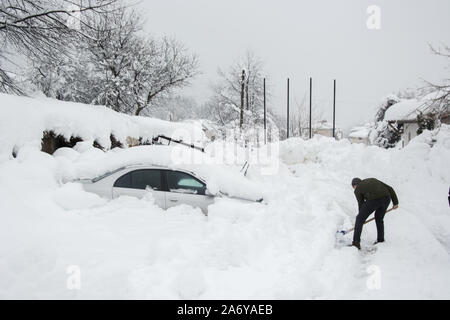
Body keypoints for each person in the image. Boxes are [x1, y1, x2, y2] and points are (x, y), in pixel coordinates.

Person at [350, 177, 399, 250]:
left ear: (354, 185)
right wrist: (395, 202)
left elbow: (361, 203)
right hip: (386, 198)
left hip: (374, 199)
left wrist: (361, 218)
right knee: (379, 218)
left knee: (359, 219)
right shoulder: (372, 179)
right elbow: (390, 188)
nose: (354, 189)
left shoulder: (357, 189)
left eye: (353, 187)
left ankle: (356, 243)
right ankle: (380, 239)